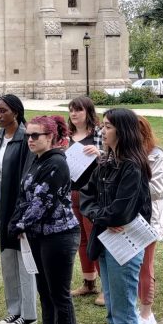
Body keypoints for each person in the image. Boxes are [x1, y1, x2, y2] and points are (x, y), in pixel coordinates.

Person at [80, 107, 152, 324]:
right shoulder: (107, 163)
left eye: (108, 126)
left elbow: (122, 211)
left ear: (122, 131)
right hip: (106, 241)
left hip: (125, 246)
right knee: (113, 309)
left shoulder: (132, 166)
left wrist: (102, 214)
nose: (102, 130)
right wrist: (101, 214)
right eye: (103, 126)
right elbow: (87, 196)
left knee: (123, 311)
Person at [9, 114, 80, 324]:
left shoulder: (57, 163)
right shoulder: (38, 160)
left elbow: (42, 202)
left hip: (59, 235)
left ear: (50, 137)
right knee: (44, 290)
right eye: (28, 135)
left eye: (35, 135)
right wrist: (18, 222)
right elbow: (24, 195)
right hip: (39, 235)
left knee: (59, 292)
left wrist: (19, 224)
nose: (30, 139)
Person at [0, 94, 37, 324]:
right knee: (7, 260)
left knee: (24, 262)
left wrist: (22, 215)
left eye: (3, 111)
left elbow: (28, 178)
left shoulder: (26, 139)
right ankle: (13, 310)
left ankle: (28, 314)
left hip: (17, 208)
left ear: (15, 112)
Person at [66, 95, 102, 303]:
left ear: (88, 112)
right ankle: (89, 283)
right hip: (71, 192)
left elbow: (113, 158)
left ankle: (106, 287)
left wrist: (99, 153)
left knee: (95, 238)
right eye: (71, 110)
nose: (74, 114)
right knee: (81, 239)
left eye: (78, 110)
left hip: (93, 194)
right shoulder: (66, 135)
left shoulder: (98, 133)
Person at [139, 118, 163, 324]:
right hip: (128, 218)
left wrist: (129, 183)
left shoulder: (157, 157)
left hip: (149, 219)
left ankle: (146, 313)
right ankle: (139, 309)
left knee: (145, 265)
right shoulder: (123, 154)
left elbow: (157, 189)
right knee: (131, 266)